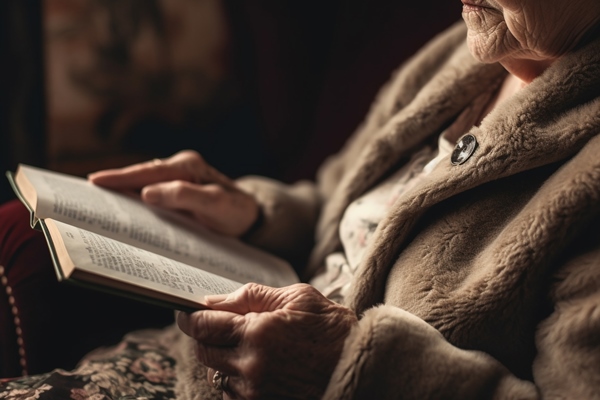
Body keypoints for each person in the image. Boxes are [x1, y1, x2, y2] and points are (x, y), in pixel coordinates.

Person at [1, 0, 600, 398]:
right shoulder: (466, 52)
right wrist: (255, 211)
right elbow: (341, 197)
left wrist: (346, 368)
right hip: (194, 362)